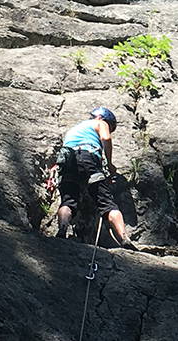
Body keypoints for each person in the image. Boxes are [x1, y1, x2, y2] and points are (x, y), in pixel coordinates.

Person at [55, 106, 137, 249]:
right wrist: (110, 164)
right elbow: (106, 137)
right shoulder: (100, 122)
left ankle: (62, 231)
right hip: (87, 158)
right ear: (102, 118)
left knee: (68, 201)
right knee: (107, 204)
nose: (108, 128)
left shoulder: (75, 129)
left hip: (67, 161)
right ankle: (124, 239)